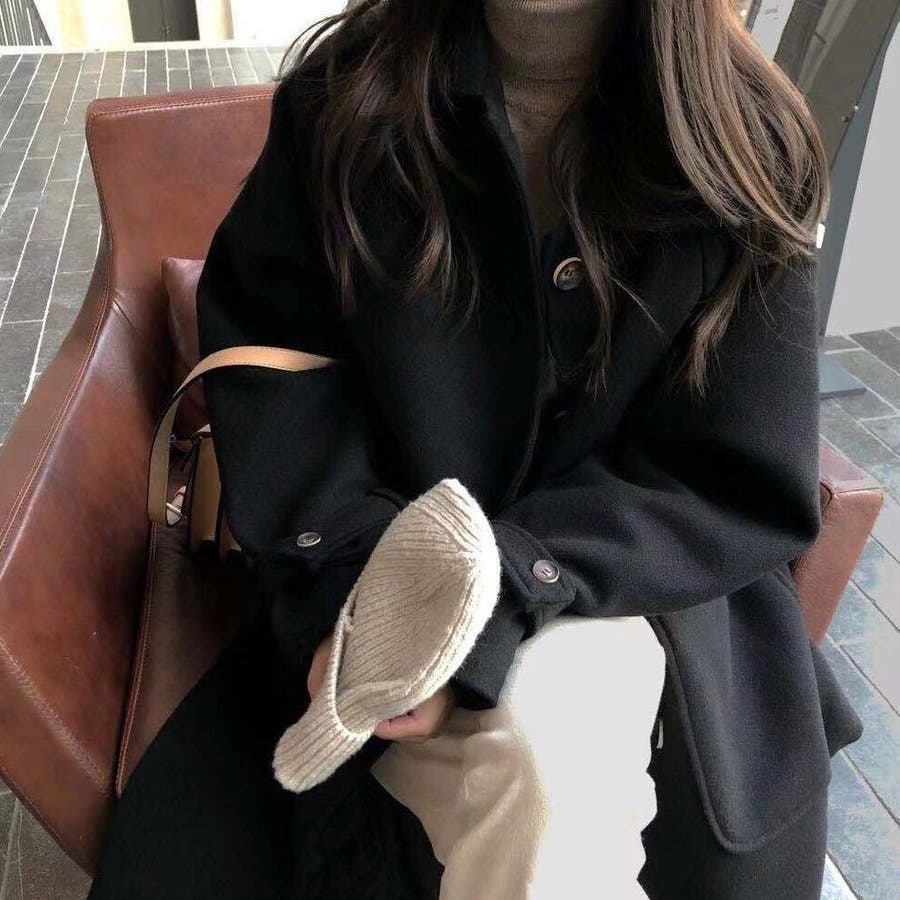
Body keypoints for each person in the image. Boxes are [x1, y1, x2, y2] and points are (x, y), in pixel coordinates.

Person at [87, 1, 863, 898]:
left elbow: (733, 468)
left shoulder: (745, 138)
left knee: (545, 764)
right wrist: (372, 596)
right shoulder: (347, 97)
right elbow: (278, 367)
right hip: (379, 560)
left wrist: (506, 584)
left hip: (633, 581)